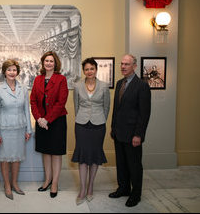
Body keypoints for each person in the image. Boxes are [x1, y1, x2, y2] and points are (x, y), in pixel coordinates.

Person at [109, 54, 151, 207]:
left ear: (134, 66)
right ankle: (123, 188)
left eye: (127, 64)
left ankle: (136, 194)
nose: (123, 67)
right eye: (122, 64)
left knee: (134, 165)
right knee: (121, 164)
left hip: (133, 134)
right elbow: (116, 109)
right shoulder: (120, 83)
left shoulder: (142, 86)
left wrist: (138, 134)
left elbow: (144, 114)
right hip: (119, 132)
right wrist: (113, 127)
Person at [30, 51, 69, 198]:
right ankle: (47, 180)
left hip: (57, 121)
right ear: (43, 62)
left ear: (55, 63)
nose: (48, 63)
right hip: (41, 122)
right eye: (46, 61)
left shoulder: (61, 79)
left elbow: (61, 102)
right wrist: (39, 118)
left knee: (56, 153)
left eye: (51, 61)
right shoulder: (37, 79)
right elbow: (33, 101)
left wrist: (47, 119)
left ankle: (55, 183)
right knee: (45, 151)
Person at [0, 59, 33, 200]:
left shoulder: (23, 89)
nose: (12, 72)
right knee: (5, 159)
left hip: (20, 128)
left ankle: (15, 183)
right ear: (4, 72)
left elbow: (26, 110)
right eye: (9, 70)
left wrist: (29, 129)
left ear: (17, 72)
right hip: (4, 129)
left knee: (16, 158)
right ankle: (7, 185)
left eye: (14, 70)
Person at [72, 57, 110, 204]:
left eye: (92, 69)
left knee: (94, 157)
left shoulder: (104, 86)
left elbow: (106, 107)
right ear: (84, 71)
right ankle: (82, 189)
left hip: (98, 125)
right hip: (81, 125)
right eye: (86, 69)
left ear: (96, 69)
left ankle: (90, 187)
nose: (89, 71)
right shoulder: (77, 86)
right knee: (82, 158)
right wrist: (81, 119)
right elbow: (76, 106)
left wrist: (101, 119)